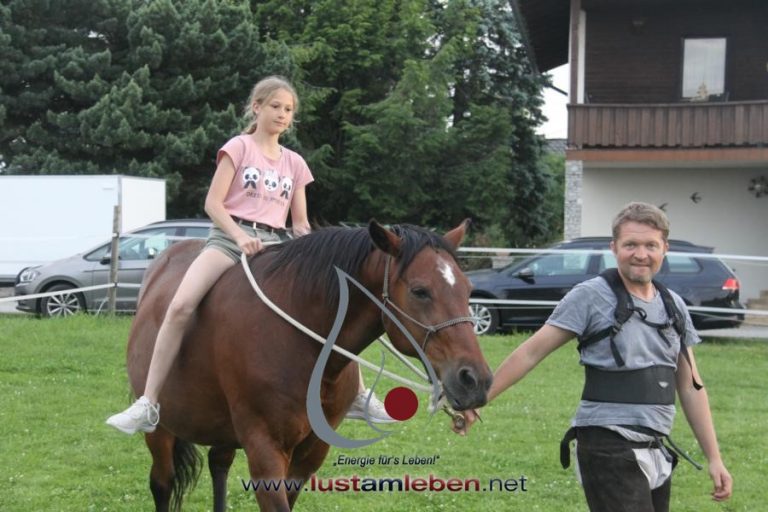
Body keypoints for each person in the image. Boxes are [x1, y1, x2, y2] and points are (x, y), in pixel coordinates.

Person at [106, 76, 390, 434]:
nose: (282, 115)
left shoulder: (296, 163)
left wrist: (318, 254)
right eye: (275, 107)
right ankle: (147, 403)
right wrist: (239, 237)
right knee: (180, 307)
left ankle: (358, 395)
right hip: (228, 240)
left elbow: (299, 223)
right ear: (256, 107)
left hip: (277, 245)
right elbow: (213, 203)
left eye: (288, 110)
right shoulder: (238, 148)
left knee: (337, 302)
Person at [455, 202, 732, 511]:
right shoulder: (591, 295)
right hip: (607, 443)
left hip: (656, 445)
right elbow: (531, 352)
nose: (641, 254)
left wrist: (715, 458)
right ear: (614, 248)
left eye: (650, 245)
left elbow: (691, 386)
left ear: (664, 248)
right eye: (631, 245)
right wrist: (479, 399)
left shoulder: (674, 306)